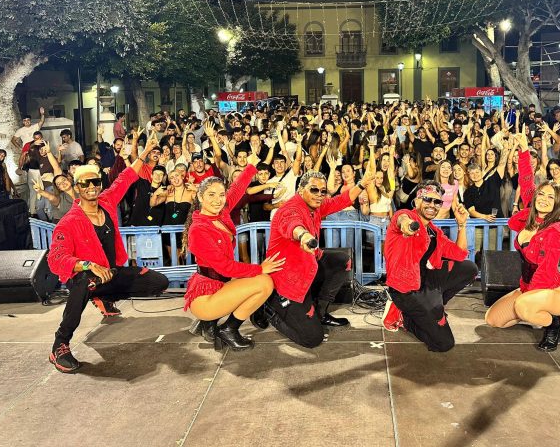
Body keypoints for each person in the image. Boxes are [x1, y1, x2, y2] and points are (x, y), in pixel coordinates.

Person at [46, 137, 170, 373]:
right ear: (77, 186)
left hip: (111, 272)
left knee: (159, 283)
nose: (92, 187)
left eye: (96, 182)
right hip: (87, 276)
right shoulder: (69, 222)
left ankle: (104, 296)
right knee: (85, 283)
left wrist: (143, 153)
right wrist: (85, 264)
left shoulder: (107, 201)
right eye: (85, 184)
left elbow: (125, 178)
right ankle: (60, 344)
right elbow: (56, 258)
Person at [183, 155, 284, 350]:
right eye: (211, 195)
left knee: (264, 281)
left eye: (221, 195)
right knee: (263, 282)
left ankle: (213, 324)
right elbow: (225, 267)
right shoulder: (198, 230)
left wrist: (252, 166)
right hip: (206, 298)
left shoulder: (221, 214)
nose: (218, 199)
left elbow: (237, 189)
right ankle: (228, 329)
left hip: (221, 286)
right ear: (200, 197)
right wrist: (259, 268)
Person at [485, 134, 560, 351]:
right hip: (528, 285)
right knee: (492, 319)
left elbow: (546, 270)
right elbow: (526, 181)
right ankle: (530, 308)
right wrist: (524, 151)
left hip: (555, 289)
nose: (544, 199)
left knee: (524, 306)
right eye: (541, 195)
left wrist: (529, 296)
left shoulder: (553, 231)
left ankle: (553, 324)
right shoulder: (529, 217)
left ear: (557, 205)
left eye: (550, 198)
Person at [260, 169, 367, 348]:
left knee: (342, 261)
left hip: (307, 268)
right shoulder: (290, 209)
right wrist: (303, 236)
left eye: (323, 191)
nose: (319, 195)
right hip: (288, 282)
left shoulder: (315, 206)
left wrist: (363, 183)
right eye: (314, 190)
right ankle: (269, 310)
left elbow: (341, 200)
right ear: (301, 190)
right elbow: (293, 224)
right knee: (312, 338)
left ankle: (321, 312)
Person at [381, 180, 478, 352]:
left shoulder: (435, 232)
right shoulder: (406, 215)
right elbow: (401, 219)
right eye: (427, 199)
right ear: (417, 201)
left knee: (469, 268)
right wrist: (407, 226)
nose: (432, 205)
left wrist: (462, 225)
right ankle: (405, 317)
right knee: (444, 343)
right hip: (406, 291)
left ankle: (432, 307)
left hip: (427, 283)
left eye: (437, 201)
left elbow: (460, 253)